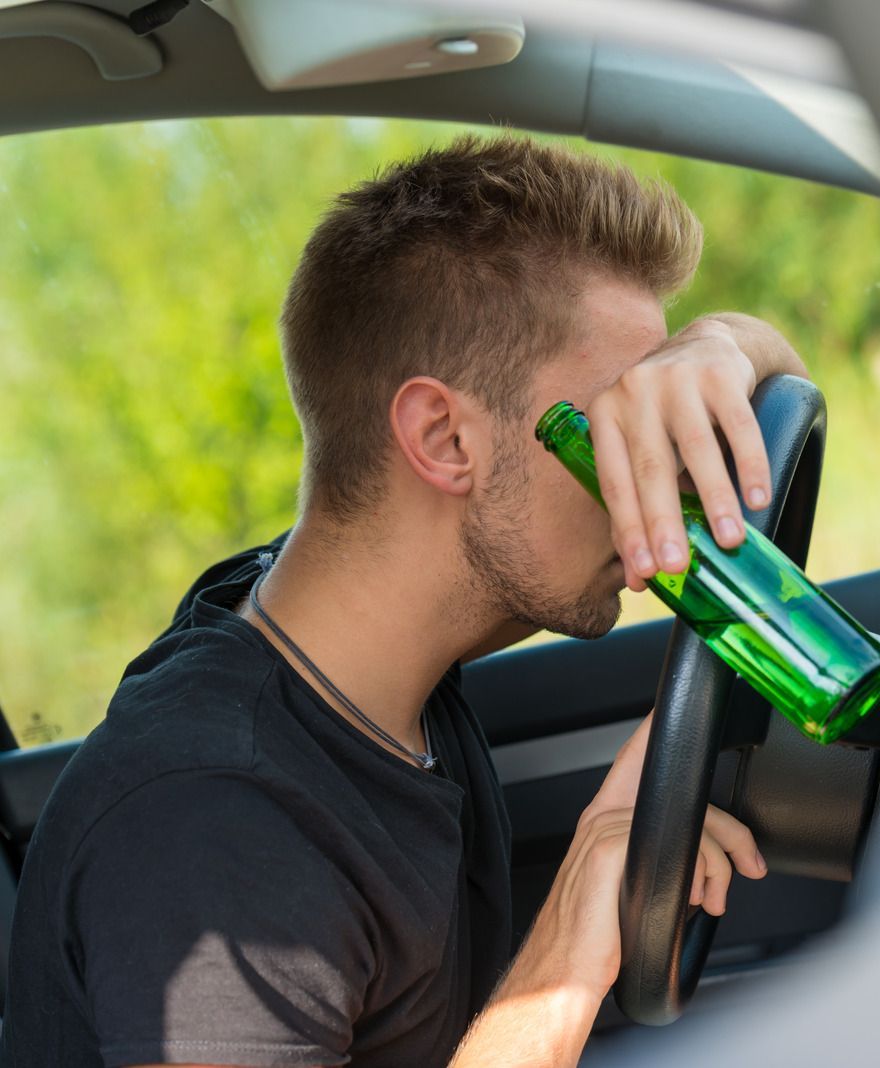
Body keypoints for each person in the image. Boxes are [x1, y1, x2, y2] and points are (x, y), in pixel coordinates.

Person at [0, 134, 808, 1067]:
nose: (652, 487)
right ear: (445, 438)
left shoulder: (346, 639)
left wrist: (718, 345)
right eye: (612, 430)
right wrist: (564, 962)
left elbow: (778, 370)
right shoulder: (215, 832)